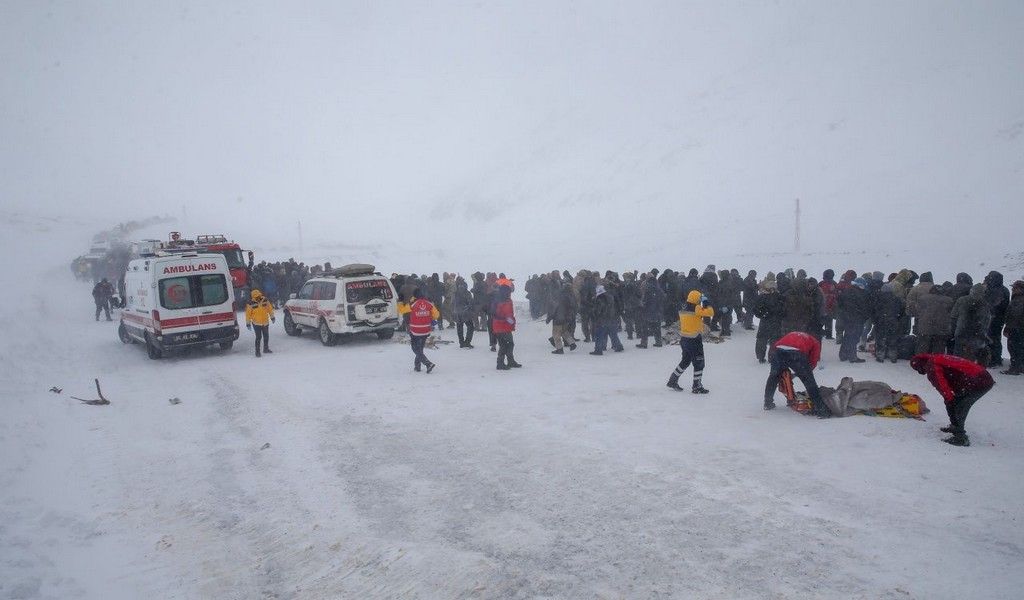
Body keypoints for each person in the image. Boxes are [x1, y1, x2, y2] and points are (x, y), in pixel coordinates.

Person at [911, 353, 995, 447]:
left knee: (960, 405)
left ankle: (960, 437)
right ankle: (955, 426)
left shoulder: (932, 366)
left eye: (918, 369)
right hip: (980, 376)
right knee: (956, 401)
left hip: (977, 381)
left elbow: (941, 384)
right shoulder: (937, 358)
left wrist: (949, 399)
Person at [763, 331, 830, 418]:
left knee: (773, 377)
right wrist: (804, 373)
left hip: (778, 351)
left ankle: (767, 403)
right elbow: (813, 361)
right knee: (809, 383)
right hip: (796, 353)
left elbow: (775, 346)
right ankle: (822, 410)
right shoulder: (815, 342)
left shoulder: (793, 334)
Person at [666, 290, 712, 393]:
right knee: (699, 363)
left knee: (686, 361)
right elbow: (710, 312)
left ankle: (672, 380)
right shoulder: (697, 308)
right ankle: (697, 386)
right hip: (694, 339)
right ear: (697, 299)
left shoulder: (683, 308)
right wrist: (706, 303)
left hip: (684, 339)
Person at [951, 283, 992, 366]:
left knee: (958, 356)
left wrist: (954, 329)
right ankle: (970, 372)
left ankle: (956, 372)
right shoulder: (984, 303)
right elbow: (987, 320)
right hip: (977, 334)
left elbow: (953, 316)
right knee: (972, 357)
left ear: (971, 291)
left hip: (961, 331)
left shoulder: (961, 300)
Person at [836, 277, 869, 362]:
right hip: (857, 319)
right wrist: (864, 317)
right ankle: (852, 356)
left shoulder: (847, 291)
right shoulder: (860, 294)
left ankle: (843, 355)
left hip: (847, 318)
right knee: (854, 338)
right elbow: (864, 307)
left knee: (847, 336)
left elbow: (840, 303)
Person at [752, 279, 785, 363]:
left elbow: (755, 309)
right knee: (774, 340)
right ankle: (772, 357)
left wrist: (762, 314)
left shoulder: (762, 297)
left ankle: (760, 357)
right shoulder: (780, 297)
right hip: (776, 322)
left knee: (762, 339)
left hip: (765, 322)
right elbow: (784, 310)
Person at [914, 286, 954, 355]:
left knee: (922, 348)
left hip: (925, 327)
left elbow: (917, 312)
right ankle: (935, 363)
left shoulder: (922, 299)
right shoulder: (949, 300)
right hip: (942, 329)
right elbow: (951, 314)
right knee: (938, 350)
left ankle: (920, 362)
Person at [983, 271, 1010, 367]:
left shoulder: (993, 290)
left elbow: (991, 304)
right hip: (999, 318)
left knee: (990, 338)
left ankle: (992, 359)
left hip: (992, 317)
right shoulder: (1004, 289)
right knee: (995, 338)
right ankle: (996, 357)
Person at [407, 288, 438, 372]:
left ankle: (428, 363)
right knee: (420, 349)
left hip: (415, 330)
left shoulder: (412, 304)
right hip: (426, 330)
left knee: (415, 349)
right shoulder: (429, 304)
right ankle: (417, 367)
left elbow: (402, 310)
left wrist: (400, 302)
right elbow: (436, 315)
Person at [492, 284, 521, 370]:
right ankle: (502, 363)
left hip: (498, 325)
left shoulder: (497, 300)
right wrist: (512, 322)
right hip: (503, 325)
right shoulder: (505, 301)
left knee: (504, 344)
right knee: (507, 344)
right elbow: (507, 315)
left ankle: (506, 361)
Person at [590, 285, 625, 355]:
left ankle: (598, 350)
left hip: (602, 319)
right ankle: (618, 346)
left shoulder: (599, 299)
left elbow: (598, 311)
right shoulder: (610, 297)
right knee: (613, 334)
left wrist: (593, 311)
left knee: (599, 335)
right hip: (611, 318)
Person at [547, 280, 578, 354]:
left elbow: (555, 308)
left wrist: (549, 317)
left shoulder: (561, 296)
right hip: (567, 318)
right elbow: (574, 307)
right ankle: (572, 343)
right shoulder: (572, 296)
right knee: (564, 331)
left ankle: (559, 349)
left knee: (556, 334)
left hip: (559, 317)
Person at [636, 272, 665, 348]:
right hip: (657, 311)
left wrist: (642, 305)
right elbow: (663, 298)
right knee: (657, 327)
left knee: (644, 328)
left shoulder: (647, 288)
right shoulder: (658, 288)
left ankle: (644, 343)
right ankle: (658, 342)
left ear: (647, 279)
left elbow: (645, 300)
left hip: (648, 311)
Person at [1002, 280, 1024, 375]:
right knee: (1019, 347)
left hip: (1016, 328)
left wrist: (1008, 328)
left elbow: (1014, 316)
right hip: (1020, 328)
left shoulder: (1018, 300)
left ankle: (1015, 368)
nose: (1013, 289)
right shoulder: (1018, 299)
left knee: (1014, 348)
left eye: (1015, 288)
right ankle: (1019, 366)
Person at [244, 289, 275, 357]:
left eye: (258, 296)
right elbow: (248, 314)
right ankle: (257, 352)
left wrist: (272, 317)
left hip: (265, 322)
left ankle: (266, 349)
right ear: (253, 297)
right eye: (256, 297)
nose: (258, 297)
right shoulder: (250, 303)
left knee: (266, 336)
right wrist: (248, 323)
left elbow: (270, 309)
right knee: (258, 337)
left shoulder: (265, 300)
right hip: (256, 323)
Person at [452, 277, 476, 348]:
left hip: (457, 312)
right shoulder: (467, 293)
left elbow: (452, 302)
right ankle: (467, 342)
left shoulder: (455, 293)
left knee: (459, 327)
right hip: (465, 313)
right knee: (470, 327)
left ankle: (461, 342)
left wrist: (454, 311)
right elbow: (471, 303)